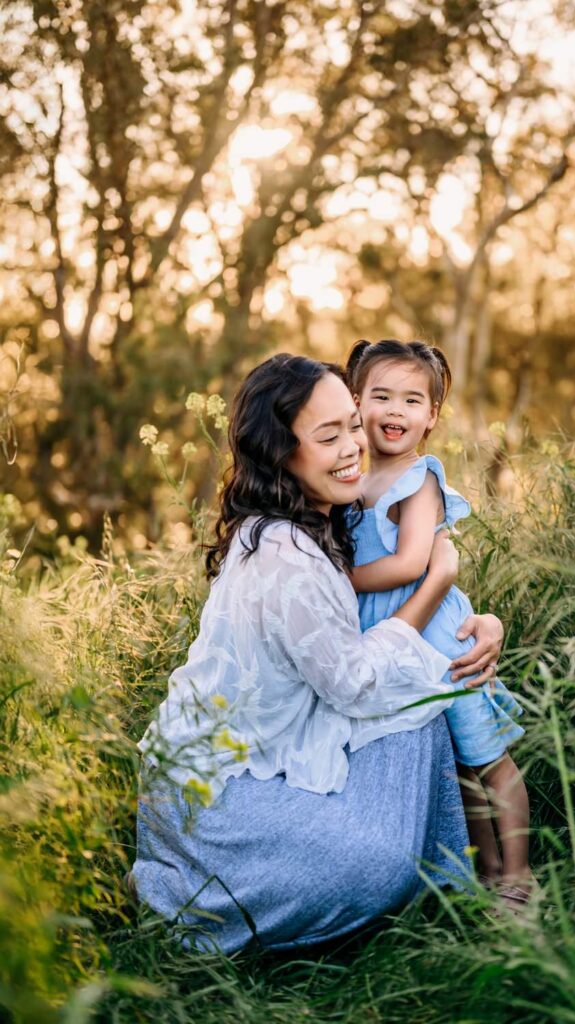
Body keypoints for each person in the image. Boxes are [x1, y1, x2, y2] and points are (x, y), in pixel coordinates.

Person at [131, 354, 505, 953]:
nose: (353, 445)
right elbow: (357, 682)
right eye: (328, 436)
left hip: (258, 757)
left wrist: (478, 619)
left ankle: (431, 881)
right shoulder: (285, 553)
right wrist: (436, 585)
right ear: (282, 453)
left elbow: (369, 623)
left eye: (353, 424)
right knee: (379, 855)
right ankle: (198, 896)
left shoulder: (309, 522)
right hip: (212, 798)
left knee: (418, 699)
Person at [345, 339, 531, 906]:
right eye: (381, 396)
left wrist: (338, 578)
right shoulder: (352, 484)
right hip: (396, 642)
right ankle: (488, 871)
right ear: (355, 403)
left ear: (431, 418)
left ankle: (520, 877)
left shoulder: (417, 479)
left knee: (488, 760)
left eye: (411, 400)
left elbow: (410, 562)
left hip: (441, 643)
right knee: (454, 767)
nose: (395, 411)